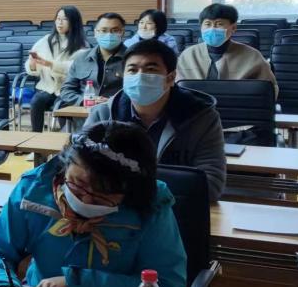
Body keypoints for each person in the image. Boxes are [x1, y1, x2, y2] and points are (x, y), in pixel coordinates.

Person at [0, 121, 186, 287]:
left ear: (130, 193)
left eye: (102, 196)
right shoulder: (34, 192)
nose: (85, 201)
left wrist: (76, 285)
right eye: (77, 184)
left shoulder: (152, 209)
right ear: (65, 167)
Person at [85, 39, 226, 204]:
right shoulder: (103, 114)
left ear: (170, 78)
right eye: (132, 70)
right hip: (115, 208)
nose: (140, 76)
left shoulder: (201, 117)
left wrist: (121, 183)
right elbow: (81, 170)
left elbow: (211, 185)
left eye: (150, 69)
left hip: (175, 209)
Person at [177, 3, 277, 95]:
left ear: (233, 28)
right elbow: (175, 88)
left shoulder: (252, 56)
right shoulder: (188, 55)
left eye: (219, 24)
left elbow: (270, 89)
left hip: (238, 106)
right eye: (207, 24)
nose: (212, 29)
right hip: (195, 107)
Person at [26, 6, 88, 132]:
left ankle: (66, 138)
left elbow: (75, 68)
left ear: (73, 22)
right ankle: (35, 136)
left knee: (62, 107)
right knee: (37, 101)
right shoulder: (45, 40)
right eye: (58, 19)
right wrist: (32, 64)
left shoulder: (82, 45)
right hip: (48, 87)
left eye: (64, 19)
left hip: (68, 89)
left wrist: (50, 64)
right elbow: (32, 68)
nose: (60, 22)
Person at [58, 13, 127, 107]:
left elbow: (139, 92)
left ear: (122, 32)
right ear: (95, 33)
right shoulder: (81, 58)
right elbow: (66, 90)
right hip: (84, 112)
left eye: (115, 30)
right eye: (104, 30)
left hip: (117, 111)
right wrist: (84, 101)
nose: (109, 34)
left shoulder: (133, 59)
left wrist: (113, 102)